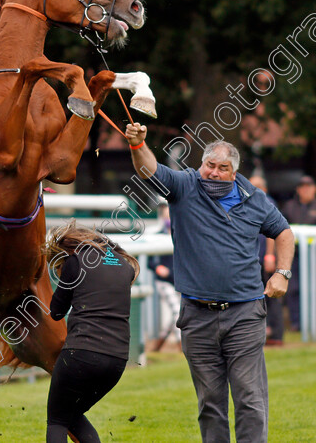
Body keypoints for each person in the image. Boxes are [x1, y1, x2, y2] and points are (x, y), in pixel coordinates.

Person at [125, 123, 294, 442]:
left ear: (234, 172)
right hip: (196, 316)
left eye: (222, 168)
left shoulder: (254, 198)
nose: (214, 173)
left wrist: (281, 272)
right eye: (209, 165)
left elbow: (284, 232)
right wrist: (137, 145)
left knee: (249, 400)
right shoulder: (185, 186)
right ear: (201, 165)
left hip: (244, 315)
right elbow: (150, 170)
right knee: (210, 405)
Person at [45, 220, 139, 443]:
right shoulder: (124, 266)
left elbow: (56, 312)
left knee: (57, 420)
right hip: (117, 361)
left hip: (81, 353)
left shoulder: (75, 262)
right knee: (73, 414)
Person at [281, 175, 316, 331]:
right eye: (303, 187)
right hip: (295, 256)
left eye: (309, 187)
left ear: (315, 189)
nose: (306, 190)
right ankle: (297, 322)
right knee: (294, 289)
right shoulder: (289, 207)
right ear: (298, 190)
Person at [249, 175, 285, 346]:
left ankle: (276, 334)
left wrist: (270, 255)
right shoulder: (250, 202)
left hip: (264, 257)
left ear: (264, 188)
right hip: (254, 257)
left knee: (271, 295)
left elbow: (273, 232)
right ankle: (265, 332)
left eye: (256, 186)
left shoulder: (267, 203)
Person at [146, 201, 181, 349]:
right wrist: (158, 267)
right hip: (164, 281)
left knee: (177, 313)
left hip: (179, 280)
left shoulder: (181, 233)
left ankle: (158, 343)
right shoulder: (157, 236)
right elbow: (150, 261)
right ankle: (182, 346)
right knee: (177, 311)